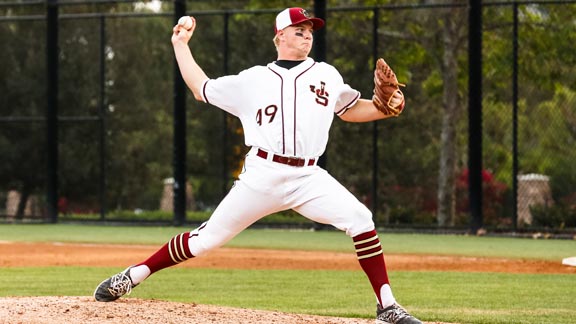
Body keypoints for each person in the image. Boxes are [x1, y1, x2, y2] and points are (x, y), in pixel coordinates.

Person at [93, 7, 422, 324]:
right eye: (299, 30)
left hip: (308, 176)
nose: (307, 36)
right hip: (262, 175)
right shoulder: (253, 80)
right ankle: (132, 275)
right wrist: (180, 45)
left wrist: (388, 107)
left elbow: (350, 109)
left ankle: (387, 306)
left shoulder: (327, 74)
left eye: (309, 31)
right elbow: (201, 88)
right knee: (205, 240)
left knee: (361, 219)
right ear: (279, 36)